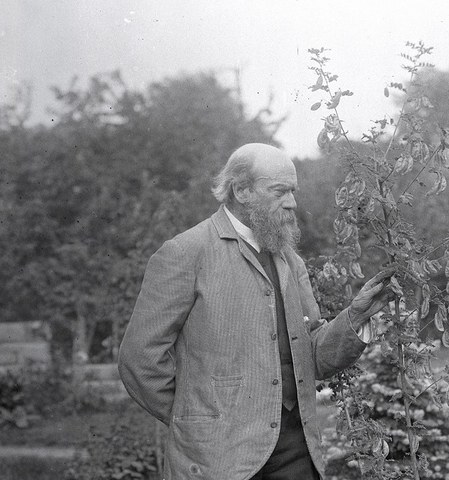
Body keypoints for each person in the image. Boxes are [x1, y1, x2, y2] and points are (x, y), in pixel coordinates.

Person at [118, 143, 393, 480]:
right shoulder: (185, 252)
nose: (292, 202)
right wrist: (196, 421)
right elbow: (140, 359)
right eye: (280, 191)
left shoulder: (290, 259)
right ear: (242, 190)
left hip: (296, 453)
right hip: (219, 461)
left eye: (292, 191)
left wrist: (356, 317)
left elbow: (314, 356)